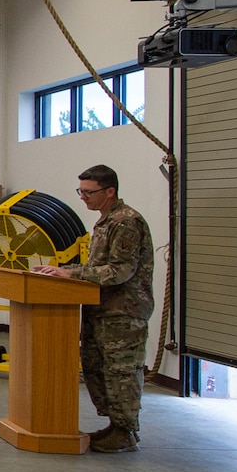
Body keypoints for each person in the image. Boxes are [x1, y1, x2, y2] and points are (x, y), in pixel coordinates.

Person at [34, 164, 156, 452]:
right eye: (81, 191)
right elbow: (97, 268)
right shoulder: (106, 221)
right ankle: (115, 426)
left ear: (110, 191)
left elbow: (121, 271)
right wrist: (61, 270)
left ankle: (125, 432)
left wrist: (71, 275)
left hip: (122, 313)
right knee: (97, 369)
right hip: (100, 310)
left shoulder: (126, 221)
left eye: (89, 192)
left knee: (120, 373)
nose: (83, 197)